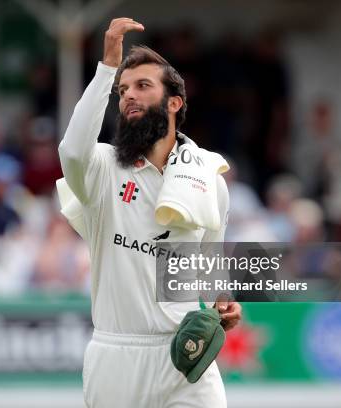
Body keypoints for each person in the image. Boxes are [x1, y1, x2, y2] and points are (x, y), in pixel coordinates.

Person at [58, 18, 242, 408]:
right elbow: (72, 151)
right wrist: (107, 68)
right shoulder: (102, 168)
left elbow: (209, 262)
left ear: (173, 102)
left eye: (143, 86)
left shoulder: (207, 177)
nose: (128, 96)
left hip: (186, 355)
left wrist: (223, 302)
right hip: (117, 357)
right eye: (123, 90)